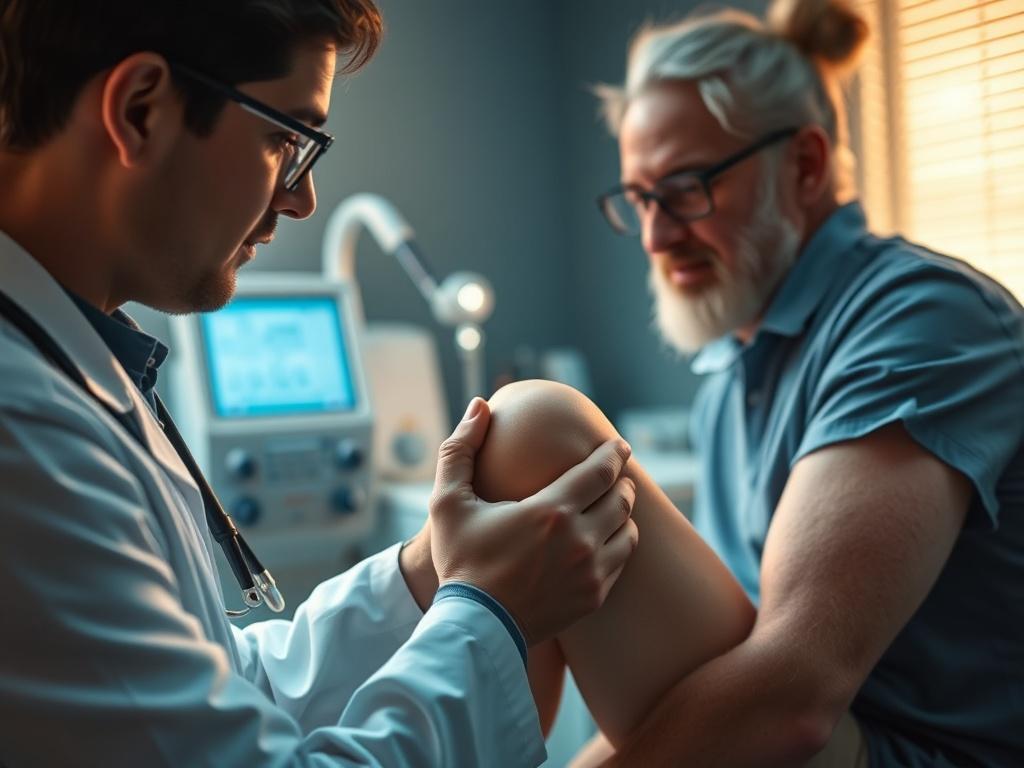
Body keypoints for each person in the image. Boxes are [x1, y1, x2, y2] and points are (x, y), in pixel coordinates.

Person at [0, 2, 642, 765]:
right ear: (141, 110)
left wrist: (427, 572)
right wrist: (489, 612)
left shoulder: (69, 365)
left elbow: (221, 697)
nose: (301, 199)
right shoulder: (23, 436)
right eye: (284, 138)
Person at [430, 0, 1024, 765]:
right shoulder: (734, 376)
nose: (654, 235)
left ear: (805, 165)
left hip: (910, 753)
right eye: (640, 199)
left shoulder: (924, 322)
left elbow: (790, 696)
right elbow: (708, 684)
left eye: (685, 188)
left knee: (534, 429)